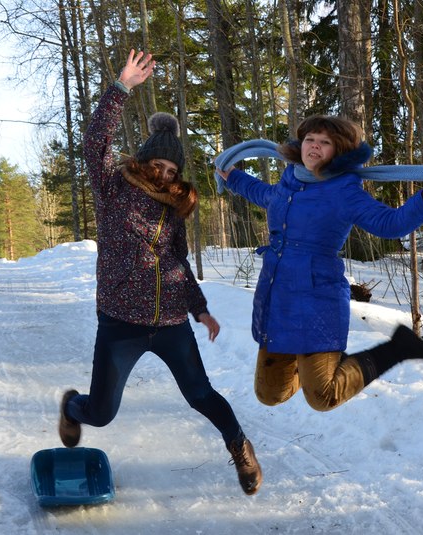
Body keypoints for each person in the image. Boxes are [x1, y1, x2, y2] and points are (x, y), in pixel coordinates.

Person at [58, 50, 261, 496]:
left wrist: (199, 309)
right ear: (144, 160)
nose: (165, 175)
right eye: (159, 166)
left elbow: (178, 262)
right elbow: (94, 142)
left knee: (201, 394)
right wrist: (121, 88)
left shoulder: (174, 210)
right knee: (102, 413)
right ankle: (72, 408)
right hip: (120, 322)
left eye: (172, 170)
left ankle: (239, 446)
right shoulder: (112, 188)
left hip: (170, 323)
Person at [216, 115, 423, 414]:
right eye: (310, 139)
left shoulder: (344, 190)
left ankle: (397, 348)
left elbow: (388, 223)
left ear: (339, 151)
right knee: (270, 394)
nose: (314, 146)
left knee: (323, 397)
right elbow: (264, 195)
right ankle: (315, 367)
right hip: (277, 299)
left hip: (317, 298)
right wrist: (232, 176)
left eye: (325, 142)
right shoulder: (290, 180)